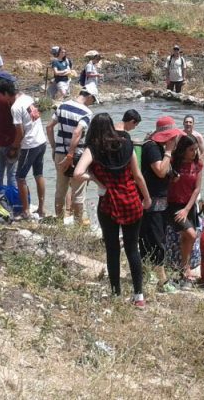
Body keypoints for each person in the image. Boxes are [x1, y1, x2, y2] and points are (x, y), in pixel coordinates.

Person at [73, 113, 152, 307]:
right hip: (131, 199)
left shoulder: (93, 149)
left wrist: (95, 179)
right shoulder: (127, 144)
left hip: (108, 202)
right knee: (133, 248)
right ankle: (139, 296)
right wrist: (147, 198)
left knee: (112, 249)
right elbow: (138, 175)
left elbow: (77, 173)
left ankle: (116, 292)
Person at [139, 116, 185, 292]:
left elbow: (164, 172)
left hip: (158, 202)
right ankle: (162, 280)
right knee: (156, 241)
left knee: (152, 239)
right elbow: (159, 170)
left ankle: (148, 274)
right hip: (152, 202)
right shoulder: (152, 147)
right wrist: (169, 151)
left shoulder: (156, 147)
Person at [47, 82, 97, 223]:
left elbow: (49, 127)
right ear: (90, 97)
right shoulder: (86, 112)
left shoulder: (63, 106)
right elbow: (77, 132)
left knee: (60, 188)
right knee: (78, 191)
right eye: (93, 100)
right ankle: (78, 223)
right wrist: (70, 155)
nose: (92, 104)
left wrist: (54, 147)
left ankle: (59, 221)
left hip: (59, 152)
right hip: (76, 155)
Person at [167, 135, 204, 283]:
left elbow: (197, 189)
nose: (194, 152)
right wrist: (171, 179)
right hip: (173, 205)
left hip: (189, 206)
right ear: (183, 150)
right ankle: (185, 267)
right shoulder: (172, 162)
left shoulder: (198, 164)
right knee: (191, 235)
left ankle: (185, 267)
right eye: (191, 150)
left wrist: (187, 209)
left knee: (186, 237)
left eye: (195, 149)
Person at [11, 89, 47, 218]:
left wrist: (14, 147)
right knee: (38, 174)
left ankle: (26, 211)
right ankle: (41, 209)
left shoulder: (15, 107)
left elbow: (20, 133)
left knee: (20, 178)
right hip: (42, 141)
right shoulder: (28, 98)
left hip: (29, 145)